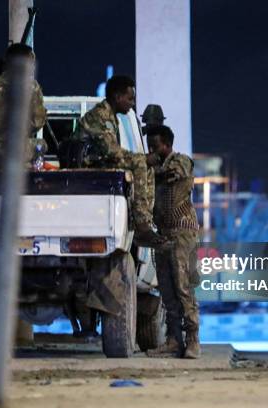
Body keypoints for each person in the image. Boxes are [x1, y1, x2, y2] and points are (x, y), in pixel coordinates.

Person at [77, 75, 171, 250]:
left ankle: (144, 221)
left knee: (145, 164)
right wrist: (142, 159)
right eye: (130, 98)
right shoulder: (101, 116)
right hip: (88, 166)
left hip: (98, 164)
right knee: (141, 163)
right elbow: (111, 152)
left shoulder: (110, 116)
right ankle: (142, 225)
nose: (132, 103)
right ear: (117, 97)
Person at [145, 125, 201, 359]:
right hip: (164, 233)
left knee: (183, 288)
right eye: (150, 147)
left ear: (167, 145)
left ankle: (193, 341)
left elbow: (173, 175)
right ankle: (174, 340)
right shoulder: (154, 166)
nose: (153, 151)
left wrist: (145, 166)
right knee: (167, 291)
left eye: (156, 146)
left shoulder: (181, 161)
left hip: (182, 233)